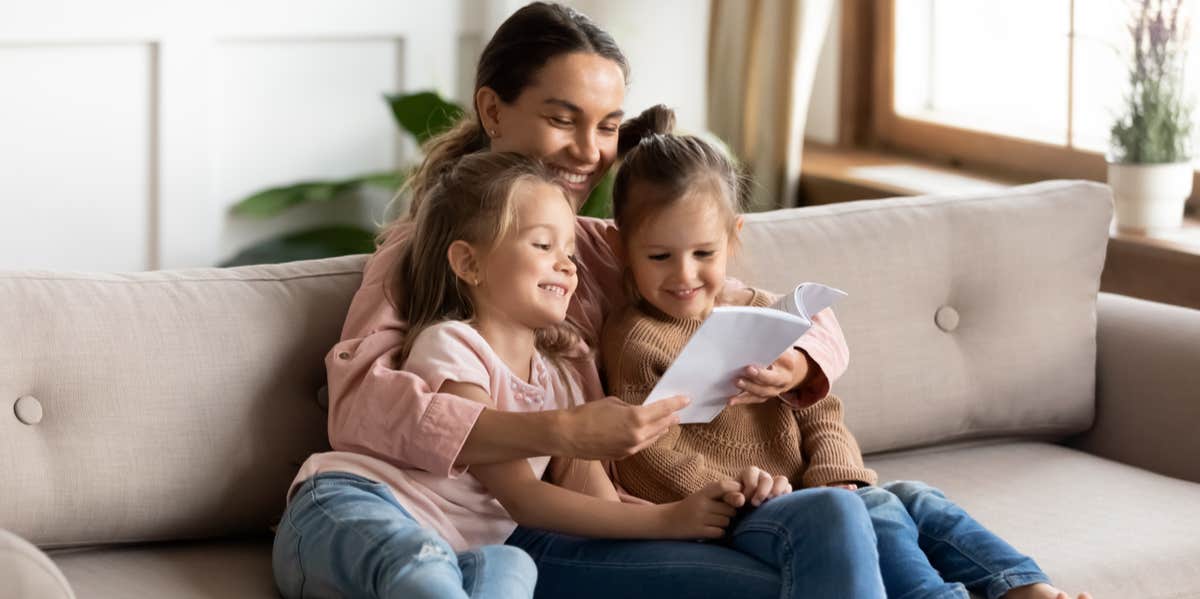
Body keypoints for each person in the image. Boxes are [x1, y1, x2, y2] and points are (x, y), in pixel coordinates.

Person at [278, 3, 880, 598]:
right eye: (564, 120)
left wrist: (799, 361)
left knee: (854, 531)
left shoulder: (604, 251)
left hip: (599, 514)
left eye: (609, 126)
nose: (591, 151)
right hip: (502, 521)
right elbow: (362, 406)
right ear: (492, 110)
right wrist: (564, 432)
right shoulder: (426, 253)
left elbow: (785, 307)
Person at [598, 105, 1093, 599]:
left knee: (914, 499)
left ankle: (1028, 590)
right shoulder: (637, 339)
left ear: (733, 238)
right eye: (660, 257)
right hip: (744, 514)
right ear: (623, 250)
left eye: (703, 253)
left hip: (815, 496)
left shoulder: (770, 313)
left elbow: (822, 410)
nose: (684, 275)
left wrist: (838, 477)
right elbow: (645, 456)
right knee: (874, 512)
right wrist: (737, 491)